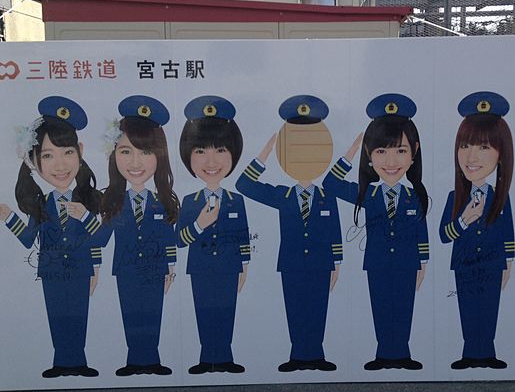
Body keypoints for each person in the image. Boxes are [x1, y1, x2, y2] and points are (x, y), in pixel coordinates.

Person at [236, 95, 342, 372]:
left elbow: (335, 231)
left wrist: (337, 262)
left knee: (318, 309)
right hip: (292, 262)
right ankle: (298, 356)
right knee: (295, 309)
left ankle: (316, 355)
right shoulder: (282, 196)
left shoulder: (326, 195)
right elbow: (244, 185)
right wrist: (265, 153)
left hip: (321, 262)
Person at [323, 93, 429, 371]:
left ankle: (402, 354)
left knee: (404, 308)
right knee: (381, 307)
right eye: (381, 151)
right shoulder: (366, 194)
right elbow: (330, 184)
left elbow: (422, 230)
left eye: (400, 151)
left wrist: (423, 261)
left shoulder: (414, 196)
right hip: (378, 261)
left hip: (407, 262)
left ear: (414, 152)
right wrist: (351, 152)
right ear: (369, 154)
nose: (391, 161)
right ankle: (384, 354)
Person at [0, 96, 102, 378]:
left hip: (81, 268)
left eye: (67, 152)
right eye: (47, 156)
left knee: (79, 315)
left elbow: (96, 238)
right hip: (51, 270)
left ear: (80, 152)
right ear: (33, 161)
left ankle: (78, 362)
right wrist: (8, 217)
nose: (60, 165)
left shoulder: (86, 201)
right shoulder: (41, 204)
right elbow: (28, 238)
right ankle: (61, 363)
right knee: (57, 315)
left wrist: (95, 266)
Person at [96, 95, 179, 376]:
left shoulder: (162, 201)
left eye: (146, 152)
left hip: (156, 268)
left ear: (159, 157)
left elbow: (169, 237)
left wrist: (171, 267)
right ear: (113, 155)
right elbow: (101, 238)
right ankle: (134, 360)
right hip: (126, 268)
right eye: (126, 151)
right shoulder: (113, 201)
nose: (135, 162)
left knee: (153, 312)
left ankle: (151, 360)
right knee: (131, 312)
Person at [439, 91, 514, 370]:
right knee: (468, 308)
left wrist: (508, 263)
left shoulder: (500, 198)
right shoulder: (455, 198)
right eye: (465, 145)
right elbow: (444, 235)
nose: (472, 156)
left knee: (490, 307)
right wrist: (464, 220)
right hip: (464, 264)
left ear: (501, 154)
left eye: (484, 147)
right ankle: (470, 353)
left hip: (493, 264)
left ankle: (487, 353)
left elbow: (508, 233)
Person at [176, 96, 250, 374]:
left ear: (233, 153)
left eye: (220, 150)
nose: (211, 161)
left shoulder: (236, 200)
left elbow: (243, 235)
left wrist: (244, 265)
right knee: (204, 311)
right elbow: (179, 240)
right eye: (200, 151)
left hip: (230, 265)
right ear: (188, 155)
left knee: (226, 311)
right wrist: (199, 224)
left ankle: (225, 358)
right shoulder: (189, 202)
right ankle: (207, 358)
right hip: (200, 266)